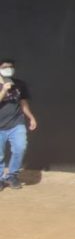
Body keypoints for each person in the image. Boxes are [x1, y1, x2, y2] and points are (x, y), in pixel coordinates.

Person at [0, 59, 37, 190]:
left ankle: (12, 175)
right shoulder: (4, 85)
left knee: (20, 148)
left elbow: (23, 103)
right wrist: (4, 90)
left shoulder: (19, 84)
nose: (8, 69)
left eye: (10, 67)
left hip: (16, 123)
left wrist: (31, 117)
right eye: (5, 67)